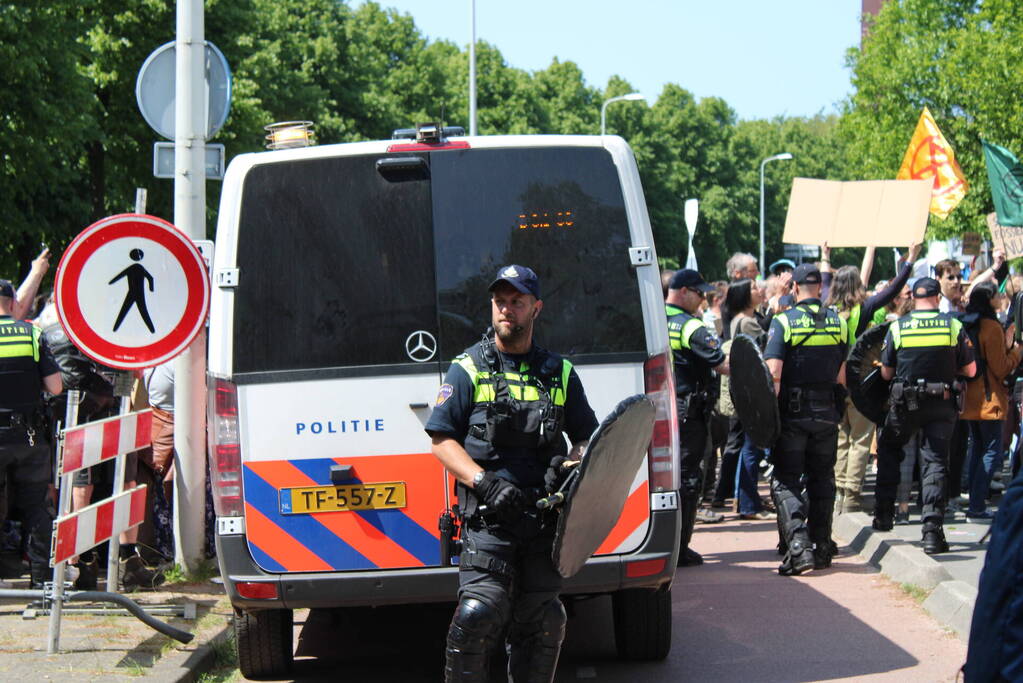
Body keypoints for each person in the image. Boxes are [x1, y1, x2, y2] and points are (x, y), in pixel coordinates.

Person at [425, 265, 598, 682]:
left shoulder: (561, 373)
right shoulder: (467, 368)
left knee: (543, 625)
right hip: (488, 524)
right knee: (477, 616)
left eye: (517, 302)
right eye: (500, 302)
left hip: (542, 524)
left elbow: (589, 441)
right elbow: (441, 441)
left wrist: (568, 467)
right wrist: (483, 481)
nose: (506, 310)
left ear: (535, 308)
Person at [872, 277, 976, 555]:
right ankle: (932, 531)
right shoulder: (953, 326)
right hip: (941, 404)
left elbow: (885, 373)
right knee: (935, 463)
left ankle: (883, 515)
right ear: (937, 296)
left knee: (890, 451)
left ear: (913, 298)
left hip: (905, 405)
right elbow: (971, 370)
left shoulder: (898, 327)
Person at [764, 264, 848, 574]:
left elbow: (773, 373)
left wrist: (768, 419)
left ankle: (799, 548)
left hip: (793, 416)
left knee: (786, 480)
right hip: (827, 413)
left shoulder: (783, 322)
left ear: (795, 289)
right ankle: (823, 547)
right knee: (822, 480)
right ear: (820, 289)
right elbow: (842, 377)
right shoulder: (839, 323)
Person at [825, 242, 921, 514]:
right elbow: (893, 289)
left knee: (841, 437)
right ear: (857, 285)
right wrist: (910, 261)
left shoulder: (827, 310)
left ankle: (838, 494)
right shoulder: (862, 310)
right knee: (860, 440)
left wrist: (824, 257)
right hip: (857, 383)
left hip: (832, 384)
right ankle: (852, 496)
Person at [0, 279, 62, 587]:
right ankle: (41, 581)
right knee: (38, 506)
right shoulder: (32, 333)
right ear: (12, 302)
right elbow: (56, 386)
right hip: (29, 436)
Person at [665, 269, 730, 566]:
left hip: (659, 409)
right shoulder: (691, 327)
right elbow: (723, 364)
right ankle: (680, 547)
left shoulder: (652, 320)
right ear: (683, 292)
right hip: (689, 413)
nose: (703, 298)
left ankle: (663, 542)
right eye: (699, 293)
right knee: (689, 477)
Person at [960, 282, 1020, 521]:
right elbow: (1001, 367)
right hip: (989, 399)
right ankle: (976, 505)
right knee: (991, 452)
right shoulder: (991, 327)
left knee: (977, 449)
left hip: (970, 398)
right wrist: (1017, 351)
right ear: (989, 299)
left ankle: (974, 502)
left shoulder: (966, 323)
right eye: (997, 295)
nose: (1000, 297)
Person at [722, 279, 774, 521]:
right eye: (754, 288)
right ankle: (749, 503)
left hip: (744, 390)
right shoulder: (747, 323)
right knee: (751, 447)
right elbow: (769, 346)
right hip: (753, 392)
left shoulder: (739, 320)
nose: (760, 290)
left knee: (748, 446)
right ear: (744, 295)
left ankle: (744, 499)